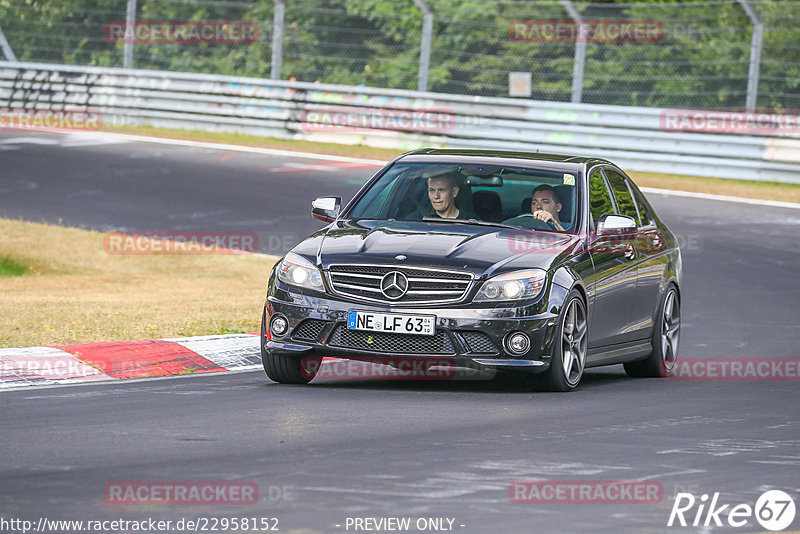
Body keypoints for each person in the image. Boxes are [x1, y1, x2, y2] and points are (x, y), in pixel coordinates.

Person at [408, 168, 477, 220]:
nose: (436, 196)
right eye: (432, 190)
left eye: (442, 190)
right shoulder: (415, 219)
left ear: (454, 192)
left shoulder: (471, 221)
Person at [504, 183, 570, 230]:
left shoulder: (571, 227)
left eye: (545, 202)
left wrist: (554, 222)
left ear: (558, 207)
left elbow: (571, 242)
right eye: (534, 203)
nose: (538, 206)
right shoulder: (522, 224)